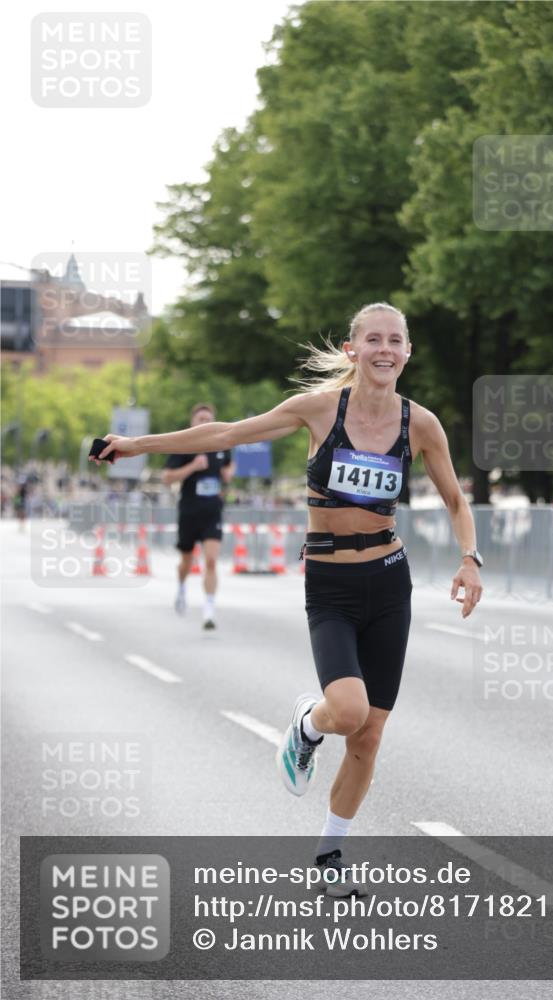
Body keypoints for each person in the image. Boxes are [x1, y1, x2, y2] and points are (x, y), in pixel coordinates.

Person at [91, 302, 483, 895]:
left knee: (369, 735)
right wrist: (138, 444)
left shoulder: (421, 424)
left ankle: (328, 859)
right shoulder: (320, 409)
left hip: (389, 580)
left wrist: (469, 558)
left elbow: (455, 500)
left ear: (407, 352)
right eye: (372, 340)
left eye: (394, 341)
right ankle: (307, 722)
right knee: (345, 712)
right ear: (353, 350)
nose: (384, 350)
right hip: (330, 583)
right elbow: (225, 433)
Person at [160, 403, 235, 629]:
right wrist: (192, 466)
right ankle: (182, 587)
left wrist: (228, 474)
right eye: (200, 419)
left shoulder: (222, 445)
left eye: (208, 419)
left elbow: (230, 469)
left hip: (212, 511)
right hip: (189, 510)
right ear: (192, 422)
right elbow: (167, 478)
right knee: (187, 561)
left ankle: (209, 610)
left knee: (211, 560)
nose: (204, 422)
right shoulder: (183, 446)